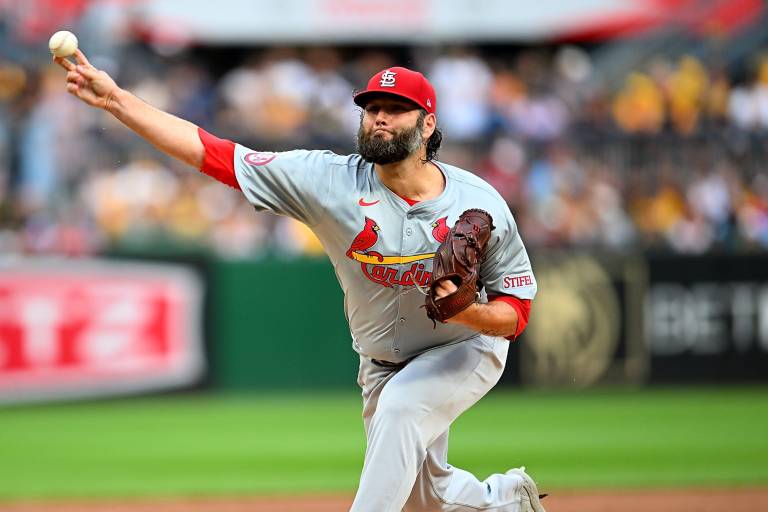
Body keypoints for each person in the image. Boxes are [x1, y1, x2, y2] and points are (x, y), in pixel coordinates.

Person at [55, 50, 544, 512]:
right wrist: (117, 100)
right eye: (372, 107)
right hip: (382, 361)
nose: (379, 117)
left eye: (396, 109)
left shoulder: (478, 202)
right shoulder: (327, 181)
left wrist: (469, 312)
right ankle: (503, 500)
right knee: (425, 496)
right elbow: (218, 156)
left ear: (428, 123)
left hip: (463, 348)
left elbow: (516, 313)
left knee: (401, 410)